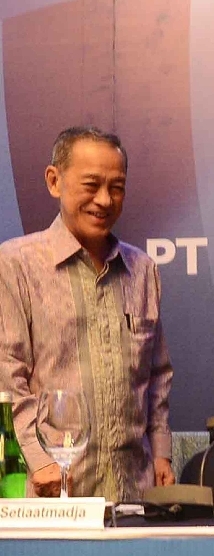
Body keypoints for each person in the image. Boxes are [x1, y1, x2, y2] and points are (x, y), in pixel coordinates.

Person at [0, 126, 175, 501]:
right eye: (91, 184)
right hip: (51, 495)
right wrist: (36, 458)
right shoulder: (15, 265)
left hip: (134, 494)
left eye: (117, 187)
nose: (104, 200)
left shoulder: (142, 270)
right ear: (54, 181)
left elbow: (157, 377)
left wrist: (162, 453)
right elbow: (7, 378)